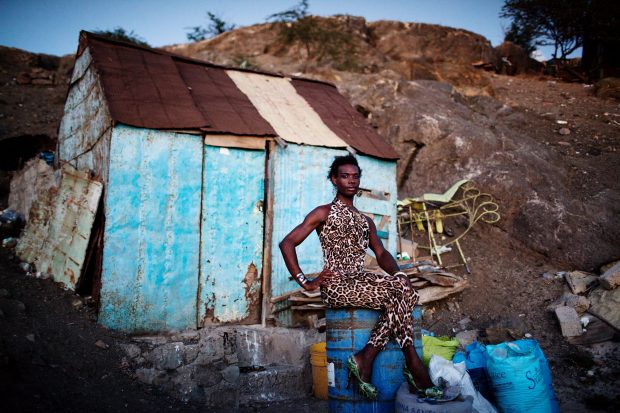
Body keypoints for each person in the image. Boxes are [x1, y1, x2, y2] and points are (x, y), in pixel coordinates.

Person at [279, 154, 434, 399]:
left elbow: (381, 253)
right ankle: (412, 362)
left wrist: (398, 273)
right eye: (344, 176)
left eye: (355, 176)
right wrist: (306, 282)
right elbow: (287, 243)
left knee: (405, 288)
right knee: (401, 292)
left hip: (360, 280)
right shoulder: (323, 213)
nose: (351, 181)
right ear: (334, 179)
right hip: (337, 285)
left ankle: (366, 357)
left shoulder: (365, 221)